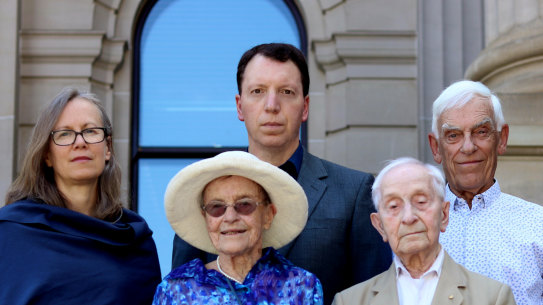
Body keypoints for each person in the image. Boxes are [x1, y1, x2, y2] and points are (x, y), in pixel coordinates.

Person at [172, 43, 392, 304]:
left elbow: (374, 296)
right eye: (258, 91)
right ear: (240, 106)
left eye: (286, 92)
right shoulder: (206, 192)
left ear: (305, 106)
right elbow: (181, 288)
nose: (272, 105)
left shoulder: (354, 191)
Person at [0, 88, 161, 305]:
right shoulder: (11, 231)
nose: (80, 142)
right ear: (47, 155)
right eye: (64, 134)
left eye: (91, 131)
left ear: (108, 148)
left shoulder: (135, 239)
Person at [332, 157, 516, 305]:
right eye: (394, 206)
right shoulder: (350, 301)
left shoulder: (492, 297)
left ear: (444, 215)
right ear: (380, 226)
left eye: (421, 202)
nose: (409, 217)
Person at [427, 80, 543, 305]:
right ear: (435, 147)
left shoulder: (538, 225)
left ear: (502, 139)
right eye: (453, 135)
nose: (468, 147)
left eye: (481, 131)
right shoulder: (413, 228)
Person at [154, 151, 322, 304]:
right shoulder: (175, 291)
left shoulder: (302, 286)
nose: (230, 217)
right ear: (205, 218)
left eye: (244, 204)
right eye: (216, 207)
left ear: (268, 215)